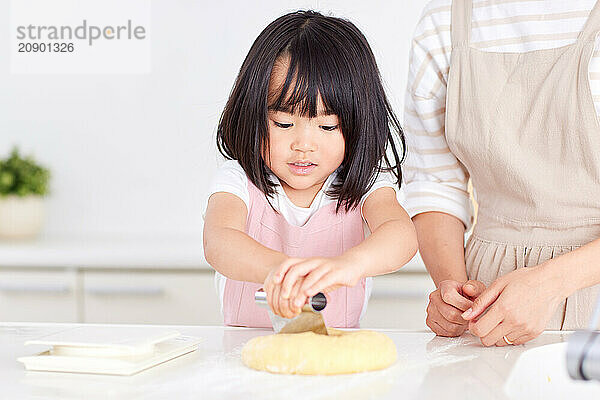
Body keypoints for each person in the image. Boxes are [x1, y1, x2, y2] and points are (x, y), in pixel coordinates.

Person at [203, 10, 418, 328]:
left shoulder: (367, 184)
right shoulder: (237, 181)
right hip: (244, 349)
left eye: (328, 126)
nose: (304, 144)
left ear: (358, 125)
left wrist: (350, 265)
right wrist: (281, 269)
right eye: (283, 123)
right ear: (252, 115)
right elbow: (219, 240)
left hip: (335, 353)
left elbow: (401, 236)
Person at [404, 0, 600, 346]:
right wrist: (454, 292)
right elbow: (436, 185)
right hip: (489, 309)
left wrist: (550, 283)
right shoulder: (444, 20)